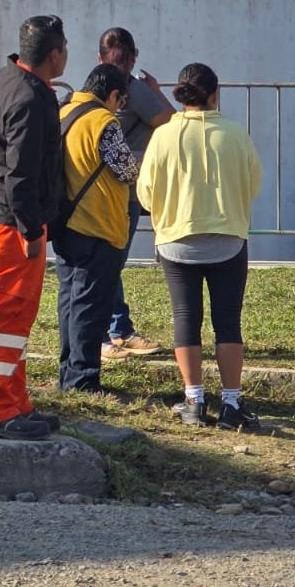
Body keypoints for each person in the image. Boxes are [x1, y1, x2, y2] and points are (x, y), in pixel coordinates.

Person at [137, 63, 264, 431]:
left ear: (181, 95)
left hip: (176, 239)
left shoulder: (163, 135)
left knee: (185, 318)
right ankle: (231, 403)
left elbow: (145, 191)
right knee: (228, 321)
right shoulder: (236, 134)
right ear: (214, 94)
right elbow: (253, 182)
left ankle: (194, 401)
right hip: (227, 239)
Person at [0, 14, 67, 441]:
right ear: (55, 54)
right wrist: (31, 231)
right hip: (14, 226)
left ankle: (15, 402)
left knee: (14, 321)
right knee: (6, 317)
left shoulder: (1, 81)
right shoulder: (31, 98)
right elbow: (21, 175)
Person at [54, 64, 140, 395]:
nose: (120, 108)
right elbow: (126, 169)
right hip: (98, 223)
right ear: (114, 94)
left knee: (70, 300)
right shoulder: (104, 122)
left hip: (66, 222)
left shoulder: (64, 111)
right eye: (121, 101)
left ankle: (68, 373)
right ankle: (83, 379)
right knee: (90, 305)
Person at [97, 27, 171, 361]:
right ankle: (113, 331)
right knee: (110, 263)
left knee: (108, 262)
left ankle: (117, 327)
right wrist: (156, 92)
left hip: (105, 188)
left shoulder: (94, 87)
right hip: (122, 189)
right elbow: (172, 122)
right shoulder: (134, 89)